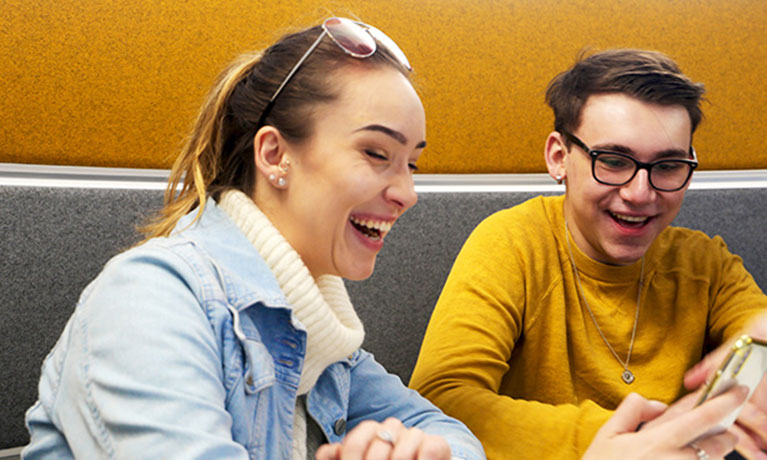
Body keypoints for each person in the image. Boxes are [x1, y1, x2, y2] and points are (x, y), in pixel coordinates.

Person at [22, 17, 485, 460]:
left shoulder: (322, 343)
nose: (407, 193)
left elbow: (449, 433)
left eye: (411, 164)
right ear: (274, 154)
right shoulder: (149, 298)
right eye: (376, 153)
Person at [409, 49, 767, 460]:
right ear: (559, 157)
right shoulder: (512, 243)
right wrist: (642, 437)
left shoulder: (706, 263)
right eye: (613, 161)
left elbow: (758, 330)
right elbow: (441, 400)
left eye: (667, 166)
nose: (640, 194)